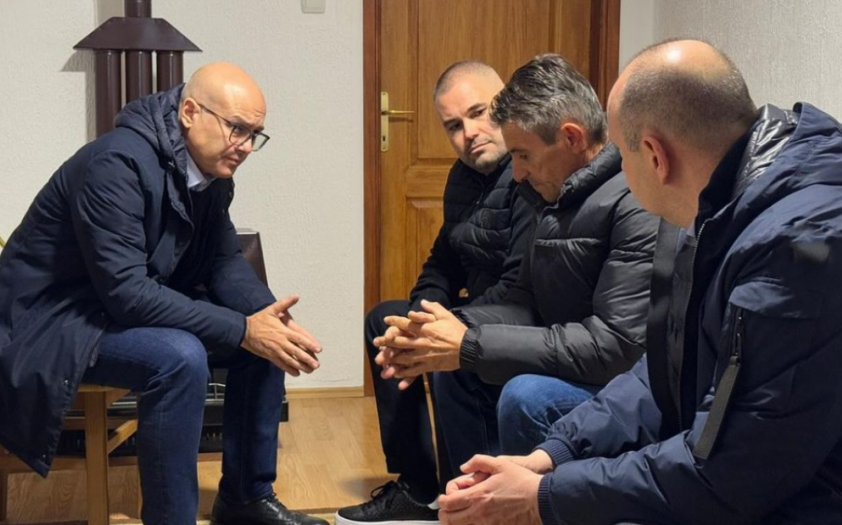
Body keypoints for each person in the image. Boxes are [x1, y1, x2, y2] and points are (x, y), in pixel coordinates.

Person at [438, 39, 842, 525]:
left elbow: (730, 476)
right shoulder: (718, 205)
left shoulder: (796, 251)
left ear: (654, 156)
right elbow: (667, 367)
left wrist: (545, 496)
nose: (617, 171)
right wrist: (553, 455)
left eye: (620, 156)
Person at [0, 63, 327, 525]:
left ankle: (245, 500)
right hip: (43, 322)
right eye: (237, 129)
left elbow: (223, 260)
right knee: (180, 357)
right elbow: (127, 293)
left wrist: (265, 318)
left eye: (255, 134)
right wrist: (243, 329)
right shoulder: (116, 163)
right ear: (190, 112)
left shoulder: (209, 169)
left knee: (266, 344)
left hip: (99, 310)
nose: (247, 146)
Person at [375, 54, 656, 472]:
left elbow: (615, 347)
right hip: (572, 353)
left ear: (572, 138)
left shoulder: (634, 203)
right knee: (452, 358)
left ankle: (521, 498)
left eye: (523, 156)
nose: (518, 173)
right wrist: (445, 332)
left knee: (525, 394)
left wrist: (471, 343)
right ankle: (460, 494)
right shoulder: (555, 197)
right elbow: (523, 302)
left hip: (626, 383)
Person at [336, 60, 536, 525]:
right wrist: (417, 318)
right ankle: (420, 487)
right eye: (453, 126)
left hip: (525, 317)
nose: (469, 133)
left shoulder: (530, 174)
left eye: (479, 113)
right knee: (384, 320)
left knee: (448, 349)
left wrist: (442, 329)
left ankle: (471, 499)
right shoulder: (461, 179)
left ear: (506, 105)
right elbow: (442, 262)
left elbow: (520, 288)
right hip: (482, 310)